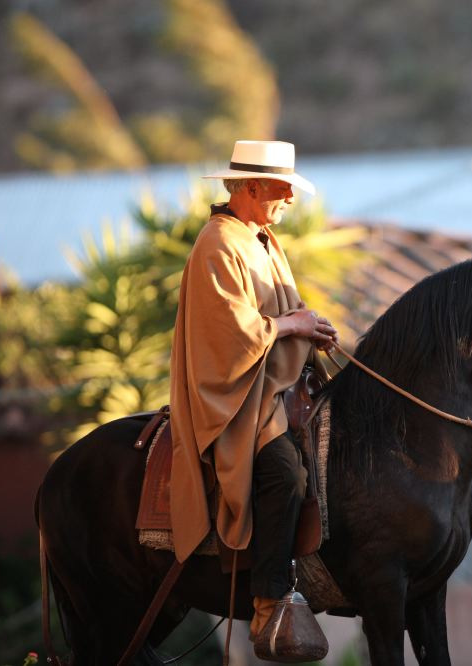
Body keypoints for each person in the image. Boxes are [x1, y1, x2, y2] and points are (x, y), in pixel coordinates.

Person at [168, 140, 338, 643]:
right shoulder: (218, 242)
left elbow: (282, 315)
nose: (290, 198)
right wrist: (292, 324)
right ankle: (269, 599)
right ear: (251, 187)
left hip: (279, 389)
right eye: (283, 188)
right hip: (246, 398)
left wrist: (311, 329)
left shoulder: (262, 238)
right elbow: (233, 335)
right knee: (284, 475)